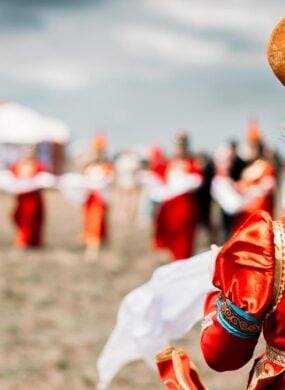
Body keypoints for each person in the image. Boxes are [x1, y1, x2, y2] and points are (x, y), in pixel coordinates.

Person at [153, 131, 203, 260]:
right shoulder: (170, 163)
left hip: (184, 206)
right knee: (171, 236)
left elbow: (197, 181)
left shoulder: (191, 163)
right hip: (170, 206)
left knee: (184, 239)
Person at [82, 134, 113, 260]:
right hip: (89, 198)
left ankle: (94, 247)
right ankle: (90, 241)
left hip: (99, 199)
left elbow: (109, 180)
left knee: (97, 221)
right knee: (88, 221)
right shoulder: (88, 166)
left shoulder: (106, 166)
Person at [10, 145, 45, 248]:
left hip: (33, 197)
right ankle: (23, 239)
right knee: (19, 217)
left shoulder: (38, 165)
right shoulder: (18, 165)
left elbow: (42, 180)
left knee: (32, 219)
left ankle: (30, 241)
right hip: (22, 197)